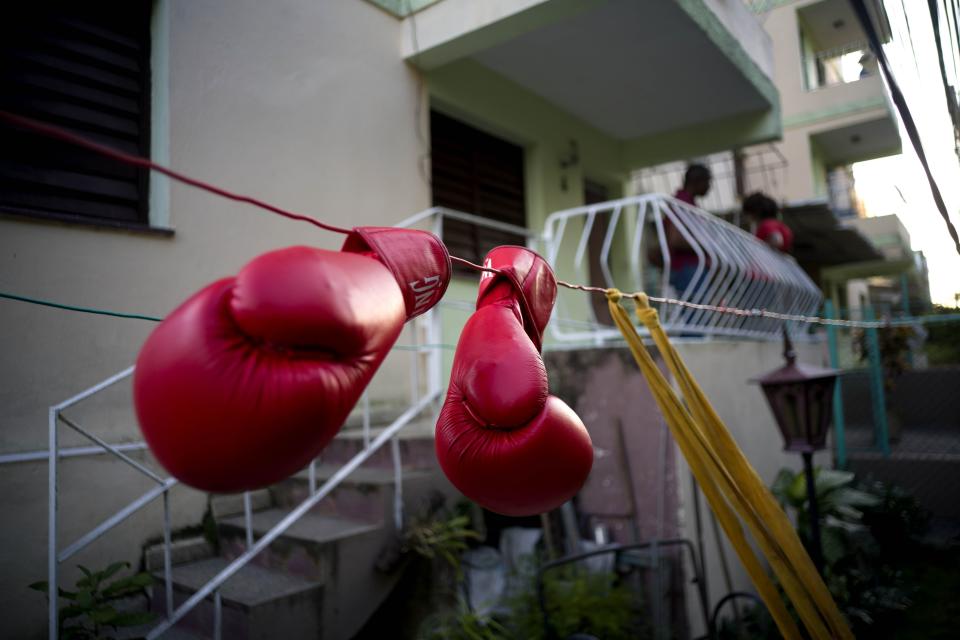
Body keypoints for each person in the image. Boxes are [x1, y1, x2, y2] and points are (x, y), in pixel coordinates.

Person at [664, 164, 711, 293]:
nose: (709, 186)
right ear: (697, 181)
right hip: (687, 268)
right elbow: (675, 240)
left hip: (691, 268)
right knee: (694, 312)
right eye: (707, 181)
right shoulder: (681, 203)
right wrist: (707, 246)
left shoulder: (688, 203)